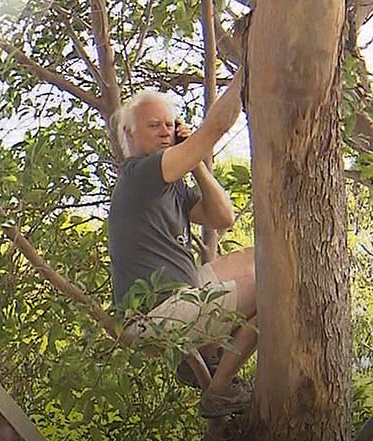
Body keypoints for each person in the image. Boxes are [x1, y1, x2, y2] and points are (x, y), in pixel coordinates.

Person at [108, 71, 257, 418]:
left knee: (256, 260)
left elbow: (222, 217)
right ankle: (222, 387)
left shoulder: (168, 184)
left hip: (182, 295)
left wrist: (197, 166)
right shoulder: (141, 174)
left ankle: (203, 357)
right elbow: (217, 126)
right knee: (274, 287)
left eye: (170, 124)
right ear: (130, 133)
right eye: (154, 125)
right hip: (155, 316)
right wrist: (245, 74)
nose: (165, 131)